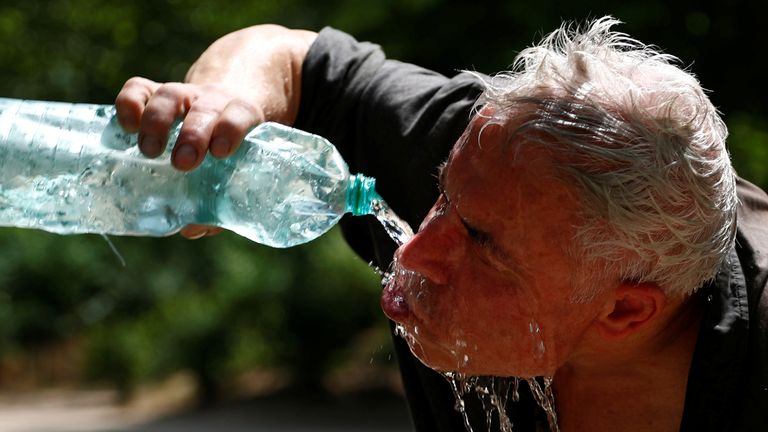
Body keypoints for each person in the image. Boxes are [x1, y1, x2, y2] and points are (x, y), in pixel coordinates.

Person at [115, 16, 768, 432]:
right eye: (439, 196)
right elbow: (292, 60)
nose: (415, 248)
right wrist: (225, 104)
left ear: (624, 311)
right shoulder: (497, 160)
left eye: (482, 242)